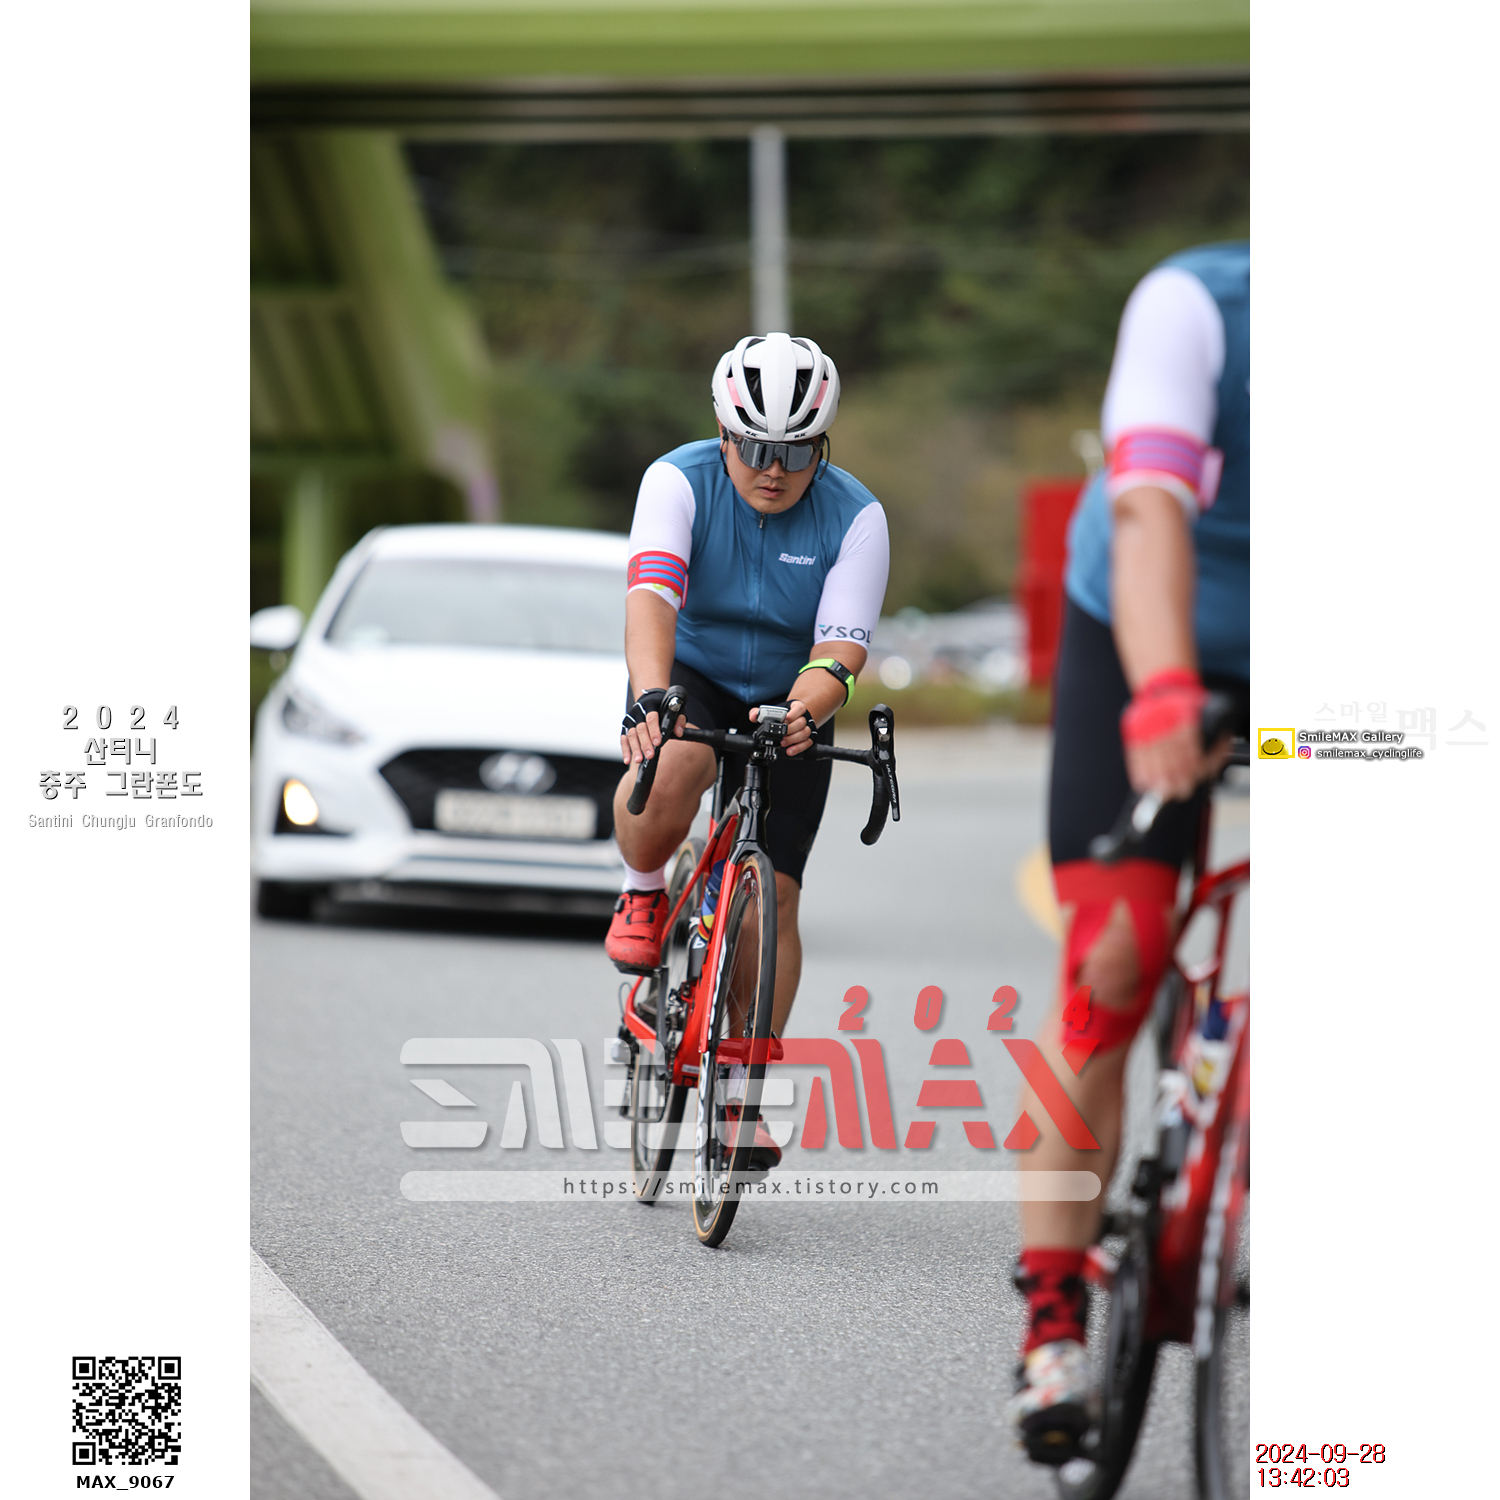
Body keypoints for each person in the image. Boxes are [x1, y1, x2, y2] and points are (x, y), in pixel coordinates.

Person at [1009, 242, 1250, 1462]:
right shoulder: (1197, 306)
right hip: (1145, 629)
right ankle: (1054, 1314)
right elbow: (1150, 504)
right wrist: (1162, 694)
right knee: (1114, 960)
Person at [606, 332, 890, 1167]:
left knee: (775, 903)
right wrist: (652, 695)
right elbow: (652, 597)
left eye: (796, 451)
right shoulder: (677, 480)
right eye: (756, 447)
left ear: (821, 446)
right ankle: (643, 890)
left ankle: (739, 1092)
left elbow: (840, 649)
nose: (774, 468)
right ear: (723, 434)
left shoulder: (857, 516)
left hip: (792, 693)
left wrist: (804, 711)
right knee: (676, 768)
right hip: (690, 673)